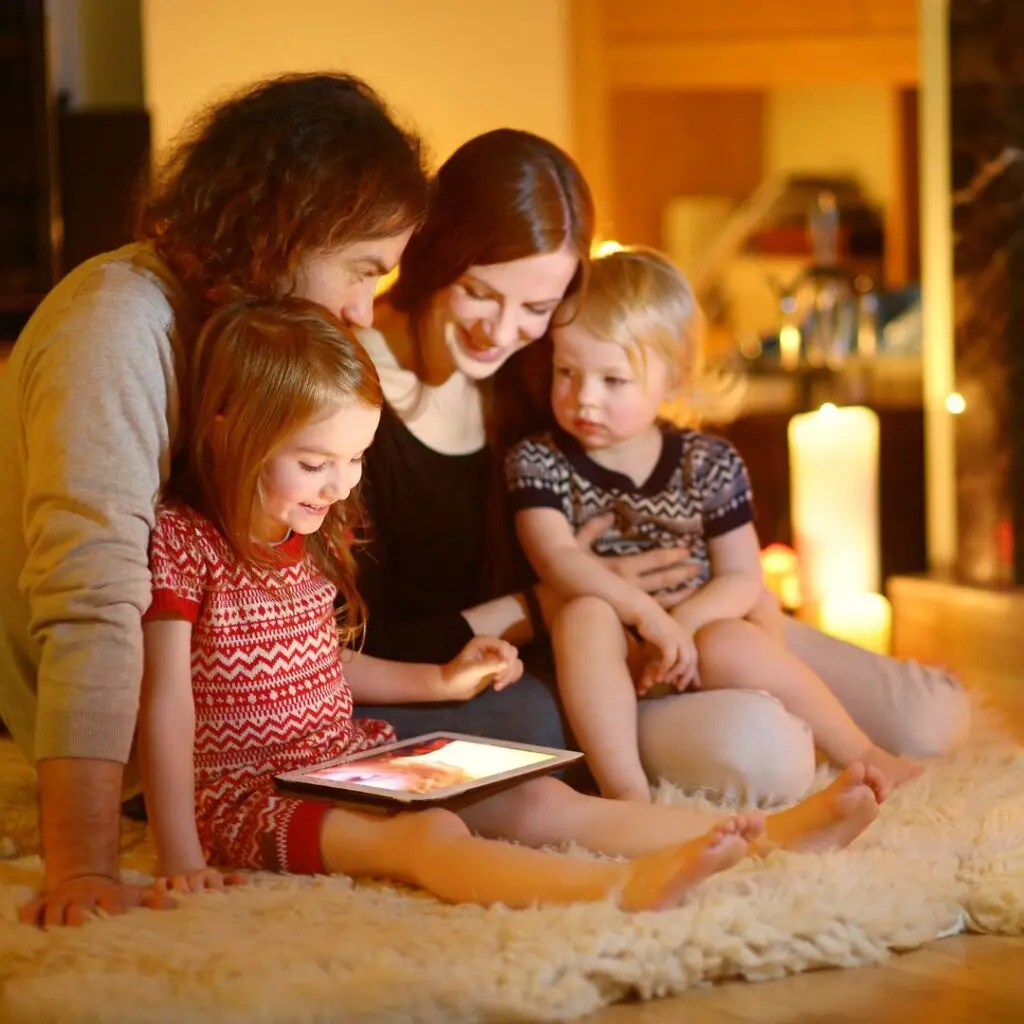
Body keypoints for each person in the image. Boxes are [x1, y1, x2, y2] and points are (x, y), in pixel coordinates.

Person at [138, 297, 888, 911]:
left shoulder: (302, 540)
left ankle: (773, 836)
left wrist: (437, 683)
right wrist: (180, 851)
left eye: (355, 459)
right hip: (248, 796)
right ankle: (622, 888)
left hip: (342, 760)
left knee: (540, 804)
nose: (338, 486)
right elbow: (166, 700)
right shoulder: (183, 542)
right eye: (313, 463)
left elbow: (319, 661)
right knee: (427, 842)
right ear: (227, 431)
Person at [353, 127, 969, 805]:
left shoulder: (546, 360)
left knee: (927, 719)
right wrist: (544, 602)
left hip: (685, 615)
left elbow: (643, 389)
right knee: (767, 753)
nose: (499, 333)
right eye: (478, 292)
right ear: (434, 253)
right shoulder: (346, 400)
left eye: (535, 307)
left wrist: (720, 607)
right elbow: (354, 642)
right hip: (564, 653)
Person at [0, 71, 431, 927]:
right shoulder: (117, 325)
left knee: (507, 736)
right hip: (154, 747)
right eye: (362, 269)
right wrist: (84, 867)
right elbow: (92, 605)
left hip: (242, 716)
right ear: (293, 224)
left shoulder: (236, 331)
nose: (363, 306)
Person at [505, 247, 922, 802]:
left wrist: (682, 627)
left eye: (614, 380)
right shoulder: (538, 461)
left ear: (673, 380)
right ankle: (626, 792)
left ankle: (859, 750)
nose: (585, 398)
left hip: (694, 646)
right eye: (567, 372)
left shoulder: (709, 462)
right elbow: (557, 557)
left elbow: (742, 576)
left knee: (733, 637)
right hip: (613, 656)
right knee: (584, 615)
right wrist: (648, 620)